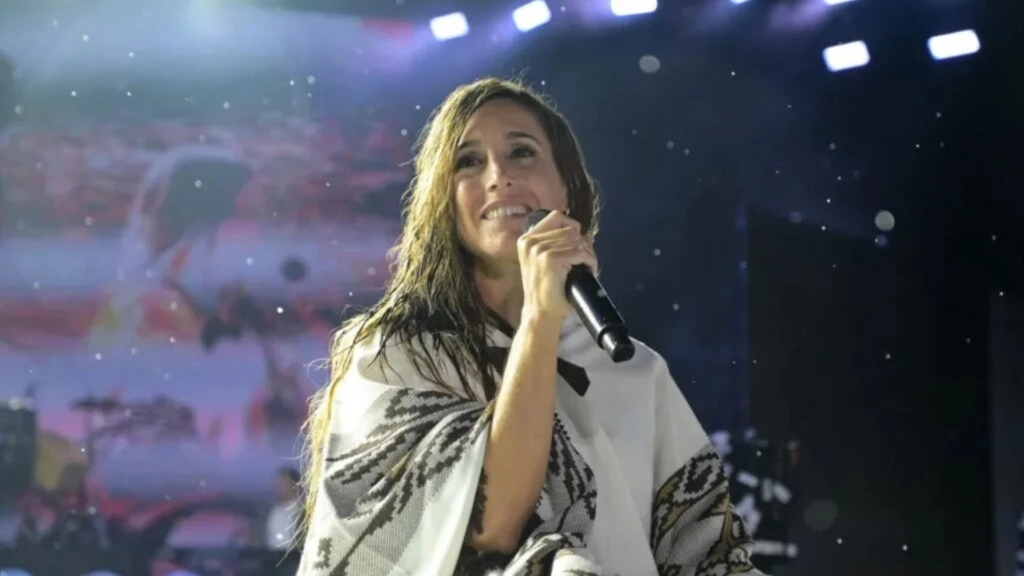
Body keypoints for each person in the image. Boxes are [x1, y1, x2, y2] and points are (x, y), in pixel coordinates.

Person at [297, 77, 762, 575]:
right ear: (441, 202)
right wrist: (541, 318)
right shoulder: (392, 359)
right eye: (468, 161)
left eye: (522, 152)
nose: (498, 175)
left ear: (569, 187)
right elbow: (490, 523)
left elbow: (709, 558)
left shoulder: (633, 369)